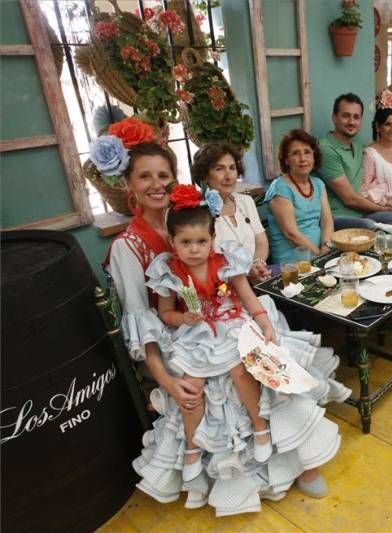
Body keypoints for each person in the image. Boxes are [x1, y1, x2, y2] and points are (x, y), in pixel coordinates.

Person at [105, 142, 348, 516]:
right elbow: (143, 324)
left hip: (222, 317)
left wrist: (247, 295)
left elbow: (227, 270)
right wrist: (167, 382)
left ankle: (299, 455)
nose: (156, 184)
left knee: (263, 341)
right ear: (128, 183)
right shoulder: (129, 246)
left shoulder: (190, 217)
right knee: (216, 370)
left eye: (164, 175)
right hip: (177, 337)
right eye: (144, 176)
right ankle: (234, 469)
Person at [147, 185, 275, 482]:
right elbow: (165, 313)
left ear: (213, 240)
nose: (194, 249)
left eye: (201, 241)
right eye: (186, 242)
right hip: (196, 333)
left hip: (230, 324)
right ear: (172, 242)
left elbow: (246, 295)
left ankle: (260, 426)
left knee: (241, 371)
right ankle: (192, 445)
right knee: (191, 385)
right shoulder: (168, 271)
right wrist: (182, 317)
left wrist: (264, 322)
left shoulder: (226, 263)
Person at [191, 143, 269, 281]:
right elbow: (201, 262)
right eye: (219, 169)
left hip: (256, 280)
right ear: (205, 175)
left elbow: (261, 242)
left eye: (232, 168)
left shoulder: (246, 201)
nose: (228, 176)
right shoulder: (197, 213)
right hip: (223, 289)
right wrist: (245, 271)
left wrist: (257, 263)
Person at [318, 93, 392, 231]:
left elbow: (378, 153)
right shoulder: (325, 149)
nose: (351, 122)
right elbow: (349, 199)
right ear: (334, 118)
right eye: (345, 116)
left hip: (363, 213)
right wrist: (384, 209)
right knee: (371, 226)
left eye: (356, 117)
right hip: (336, 218)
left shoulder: (357, 144)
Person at [265, 129, 334, 264]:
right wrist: (319, 256)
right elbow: (291, 234)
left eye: (307, 152)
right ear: (286, 160)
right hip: (292, 262)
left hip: (321, 254)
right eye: (295, 154)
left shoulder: (318, 184)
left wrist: (326, 247)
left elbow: (327, 221)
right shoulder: (280, 188)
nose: (303, 159)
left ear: (314, 157)